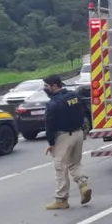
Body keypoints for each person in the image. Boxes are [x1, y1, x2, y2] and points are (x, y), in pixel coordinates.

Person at [42, 75, 92, 210]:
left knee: (60, 167)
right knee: (75, 163)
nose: (44, 89)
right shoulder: (74, 96)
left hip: (63, 136)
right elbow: (86, 111)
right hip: (78, 133)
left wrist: (51, 142)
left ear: (54, 86)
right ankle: (83, 185)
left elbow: (49, 124)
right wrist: (87, 129)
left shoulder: (53, 103)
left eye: (46, 86)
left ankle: (61, 199)